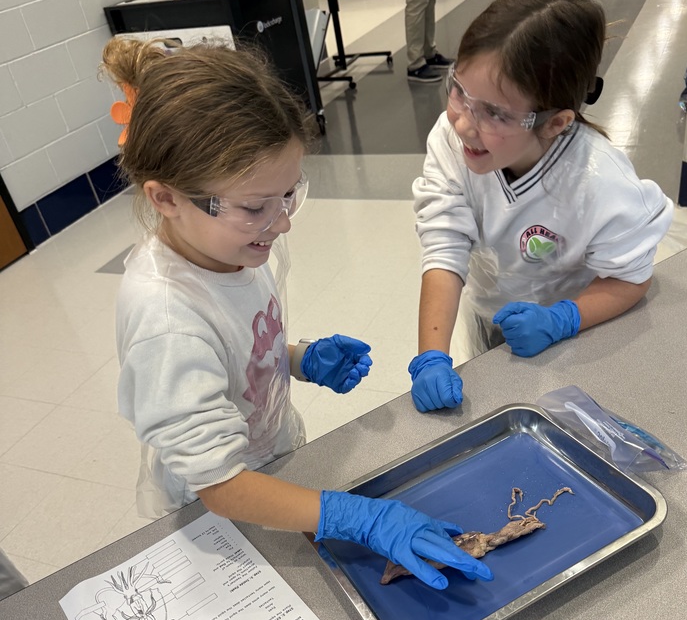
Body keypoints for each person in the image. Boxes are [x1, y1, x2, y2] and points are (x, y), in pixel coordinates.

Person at [101, 36, 492, 591]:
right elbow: (222, 484)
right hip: (219, 505)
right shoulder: (166, 321)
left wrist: (298, 359)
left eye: (289, 194)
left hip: (273, 451)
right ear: (165, 198)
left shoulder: (233, 242)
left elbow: (236, 345)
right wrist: (357, 516)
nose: (282, 222)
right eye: (257, 206)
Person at [407, 0, 675, 412]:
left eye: (494, 112)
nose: (463, 124)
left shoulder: (598, 183)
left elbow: (630, 277)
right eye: (459, 90)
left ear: (554, 123)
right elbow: (444, 241)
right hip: (491, 316)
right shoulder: (452, 139)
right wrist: (431, 357)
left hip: (579, 330)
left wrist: (563, 319)